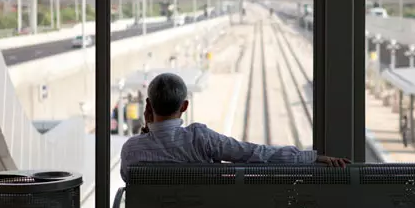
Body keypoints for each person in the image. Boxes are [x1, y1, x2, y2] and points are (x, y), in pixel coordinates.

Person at [120, 73, 350, 182]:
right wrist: (313, 158)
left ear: (148, 105)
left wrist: (147, 129)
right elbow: (256, 154)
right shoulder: (200, 139)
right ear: (185, 105)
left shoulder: (131, 150)